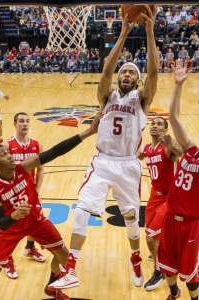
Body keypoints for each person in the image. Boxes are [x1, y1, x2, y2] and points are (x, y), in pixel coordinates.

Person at [49, 5, 159, 291]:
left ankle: (135, 257)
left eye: (131, 73)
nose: (125, 75)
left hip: (128, 165)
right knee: (83, 209)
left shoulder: (142, 99)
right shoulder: (106, 96)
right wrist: (123, 34)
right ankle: (71, 268)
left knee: (131, 218)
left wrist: (149, 32)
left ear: (137, 80)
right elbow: (106, 71)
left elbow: (155, 74)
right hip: (103, 162)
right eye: (123, 72)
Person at [0, 112, 103, 300]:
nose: (10, 156)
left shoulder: (23, 167)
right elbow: (1, 223)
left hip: (35, 219)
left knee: (63, 255)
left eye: (9, 153)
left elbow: (55, 152)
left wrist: (88, 132)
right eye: (4, 155)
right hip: (9, 229)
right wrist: (15, 215)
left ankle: (52, 288)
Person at [156, 67, 199, 300]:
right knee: (165, 265)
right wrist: (178, 84)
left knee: (190, 273)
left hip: (191, 224)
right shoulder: (192, 150)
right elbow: (173, 118)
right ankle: (173, 293)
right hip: (171, 218)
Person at [0, 112, 46, 279]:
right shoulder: (7, 146)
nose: (25, 124)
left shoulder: (37, 144)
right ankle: (7, 260)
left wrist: (36, 189)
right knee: (8, 229)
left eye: (27, 121)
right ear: (15, 124)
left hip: (29, 193)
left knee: (34, 221)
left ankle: (29, 248)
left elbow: (41, 169)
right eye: (21, 121)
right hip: (11, 197)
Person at [137, 118, 182, 291]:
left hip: (171, 198)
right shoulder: (148, 148)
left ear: (165, 129)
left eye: (159, 124)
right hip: (154, 196)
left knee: (150, 239)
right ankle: (163, 255)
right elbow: (134, 158)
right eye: (153, 123)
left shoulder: (169, 148)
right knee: (152, 234)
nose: (155, 125)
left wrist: (171, 143)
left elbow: (183, 152)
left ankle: (160, 271)